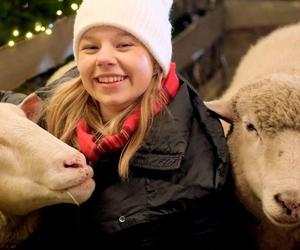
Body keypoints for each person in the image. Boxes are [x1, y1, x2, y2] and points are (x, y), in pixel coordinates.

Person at [1, 0, 253, 249]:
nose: (104, 58)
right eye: (90, 47)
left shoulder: (198, 159)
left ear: (156, 59)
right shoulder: (54, 107)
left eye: (124, 45)